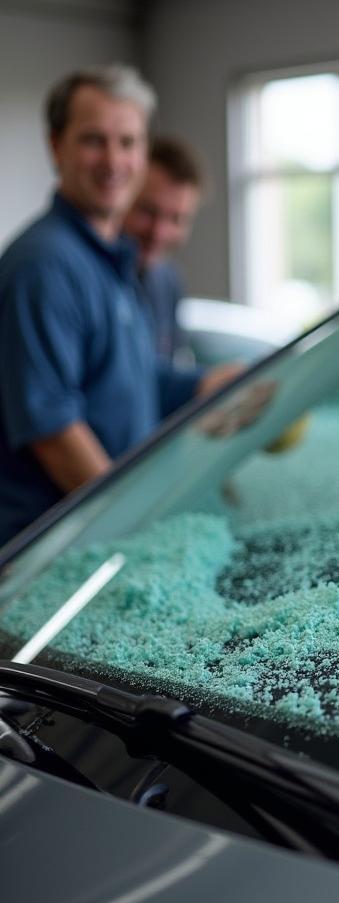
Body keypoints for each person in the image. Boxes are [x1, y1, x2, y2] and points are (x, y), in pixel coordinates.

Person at [0, 65, 237, 547]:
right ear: (55, 146)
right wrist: (135, 528)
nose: (113, 160)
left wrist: (203, 386)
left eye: (127, 142)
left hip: (97, 544)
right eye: (93, 140)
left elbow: (127, 380)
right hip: (47, 556)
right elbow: (53, 429)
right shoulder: (44, 266)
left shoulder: (117, 263)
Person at [123, 135, 203, 362]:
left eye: (176, 219)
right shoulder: (90, 278)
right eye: (148, 211)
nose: (159, 233)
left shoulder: (169, 281)